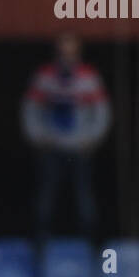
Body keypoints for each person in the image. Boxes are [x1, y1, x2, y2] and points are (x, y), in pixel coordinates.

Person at [23, 33, 110, 240]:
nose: (66, 56)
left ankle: (88, 243)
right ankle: (41, 243)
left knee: (84, 199)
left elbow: (102, 112)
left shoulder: (89, 76)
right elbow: (30, 109)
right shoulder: (45, 75)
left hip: (79, 148)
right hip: (52, 147)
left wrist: (93, 138)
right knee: (46, 199)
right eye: (63, 51)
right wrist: (37, 136)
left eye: (71, 51)